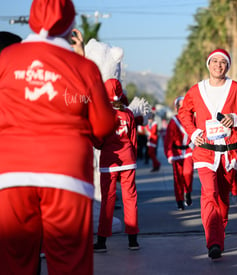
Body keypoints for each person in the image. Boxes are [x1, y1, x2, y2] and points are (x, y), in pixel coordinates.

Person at [0, 0, 116, 274]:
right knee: (69, 261)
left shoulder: (6, 59)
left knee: (14, 261)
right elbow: (103, 126)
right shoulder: (83, 67)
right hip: (67, 174)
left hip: (11, 173)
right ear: (70, 24)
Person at [178, 49, 237, 259]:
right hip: (205, 152)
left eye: (223, 62)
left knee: (223, 199)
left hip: (228, 154)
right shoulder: (197, 90)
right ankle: (213, 242)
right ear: (208, 64)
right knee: (209, 193)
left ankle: (218, 239)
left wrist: (236, 118)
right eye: (214, 61)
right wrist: (194, 132)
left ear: (228, 66)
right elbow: (183, 111)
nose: (218, 65)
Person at [94, 79, 139, 252]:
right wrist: (132, 157)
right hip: (128, 160)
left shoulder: (102, 114)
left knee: (108, 200)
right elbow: (134, 140)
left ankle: (102, 242)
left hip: (109, 162)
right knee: (130, 199)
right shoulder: (127, 114)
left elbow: (98, 141)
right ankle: (133, 241)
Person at [164, 96, 194, 210]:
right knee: (178, 178)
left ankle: (187, 192)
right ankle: (180, 200)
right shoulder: (173, 121)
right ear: (177, 108)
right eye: (180, 106)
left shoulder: (192, 119)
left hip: (188, 151)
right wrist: (170, 154)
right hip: (176, 152)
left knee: (188, 172)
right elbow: (168, 140)